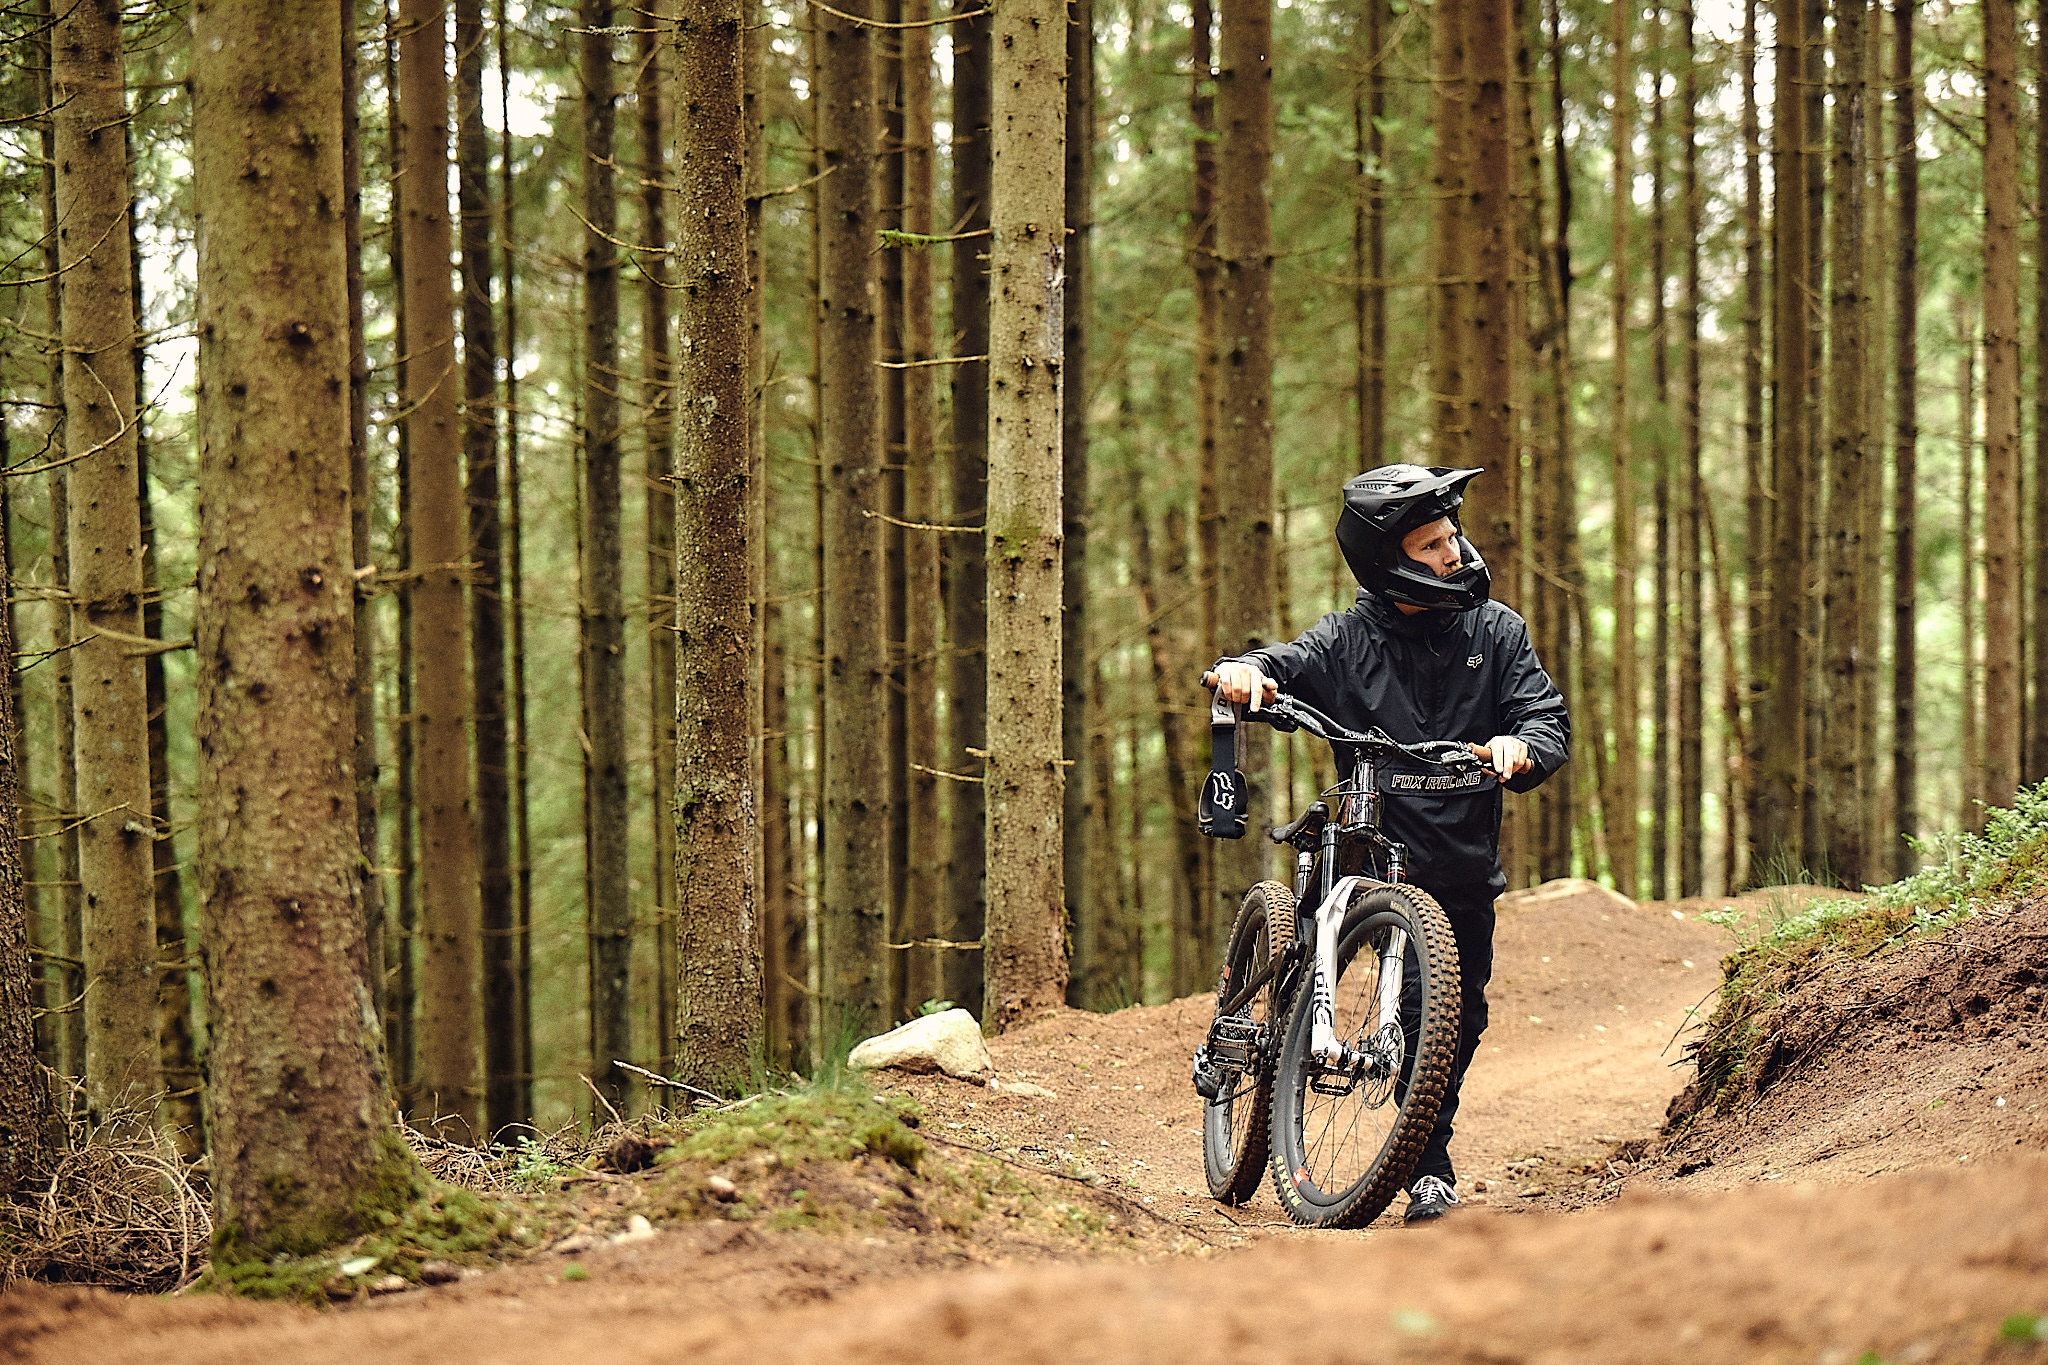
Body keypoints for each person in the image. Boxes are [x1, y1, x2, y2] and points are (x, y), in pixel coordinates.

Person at [1207, 463, 1570, 1226]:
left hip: (1462, 863)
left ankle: (1419, 1147)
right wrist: (1250, 673)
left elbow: (1545, 716)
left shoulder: (1498, 631)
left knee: (1453, 1015)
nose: (1455, 552)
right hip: (1371, 851)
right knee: (1340, 944)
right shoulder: (1348, 637)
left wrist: (1520, 745)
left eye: (1453, 536)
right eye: (1435, 542)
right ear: (1394, 559)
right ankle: (1421, 1162)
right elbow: (1286, 662)